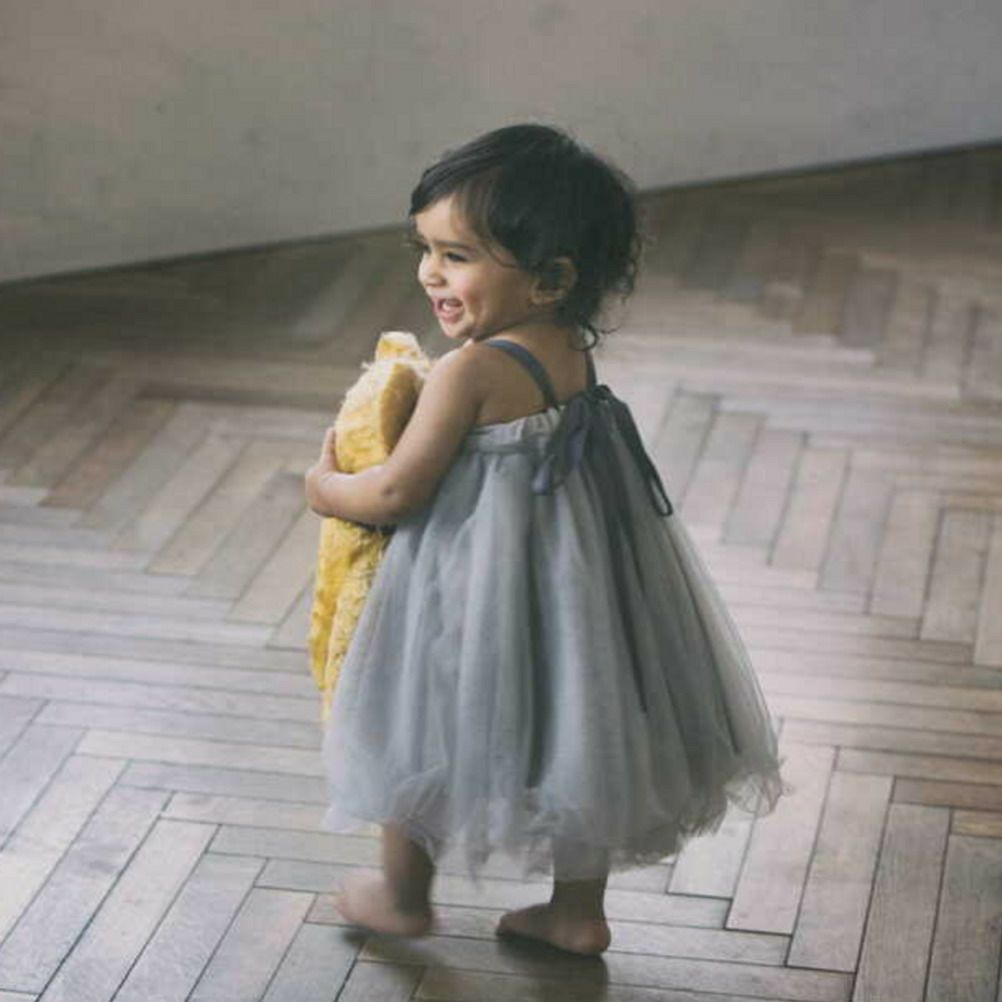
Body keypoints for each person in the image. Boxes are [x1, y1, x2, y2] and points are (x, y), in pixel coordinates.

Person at [303, 123, 783, 956]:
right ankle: (575, 911)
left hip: (470, 581)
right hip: (571, 575)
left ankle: (401, 895)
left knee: (417, 715)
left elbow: (396, 491)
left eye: (457, 256)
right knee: (578, 723)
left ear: (550, 278)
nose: (429, 273)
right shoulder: (565, 344)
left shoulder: (469, 371)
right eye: (425, 249)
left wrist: (324, 486)